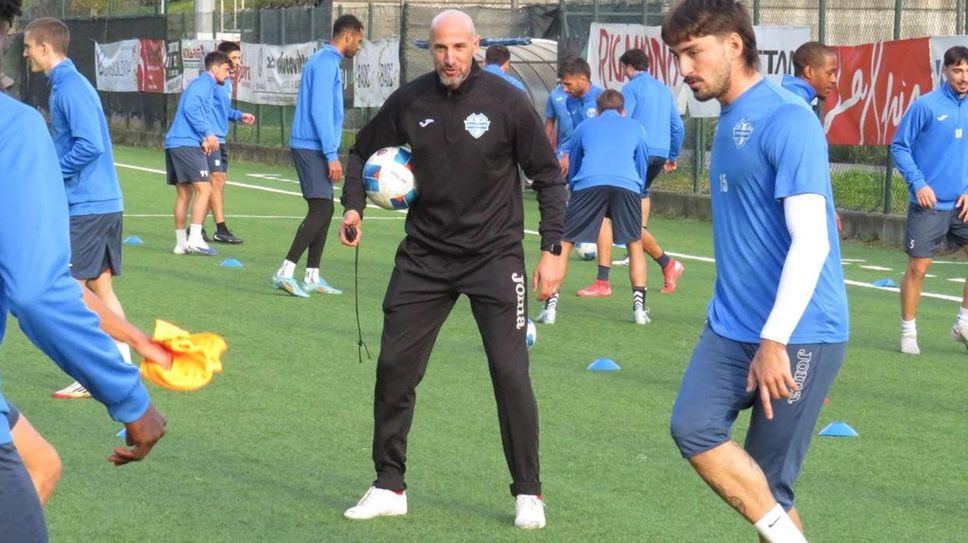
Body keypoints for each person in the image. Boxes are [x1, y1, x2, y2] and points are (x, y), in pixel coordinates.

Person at [337, 9, 566, 529]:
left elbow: (549, 178)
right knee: (395, 368)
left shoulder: (507, 102)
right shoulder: (410, 101)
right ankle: (388, 484)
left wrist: (554, 248)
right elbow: (359, 152)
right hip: (425, 258)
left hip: (494, 258)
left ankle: (529, 492)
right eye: (440, 49)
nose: (450, 58)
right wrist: (353, 205)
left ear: (476, 47)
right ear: (430, 49)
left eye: (459, 48)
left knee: (510, 374)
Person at [662, 2, 849, 542]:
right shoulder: (728, 119)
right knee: (693, 428)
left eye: (694, 52)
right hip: (730, 327)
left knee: (769, 486)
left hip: (797, 332)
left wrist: (775, 340)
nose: (684, 68)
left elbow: (811, 241)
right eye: (679, 55)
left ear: (735, 46)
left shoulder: (786, 117)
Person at [1, 3, 167, 538]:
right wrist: (129, 396)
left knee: (41, 464)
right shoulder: (15, 128)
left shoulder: (61, 92)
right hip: (83, 201)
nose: (23, 51)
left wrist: (137, 341)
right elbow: (38, 292)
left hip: (91, 204)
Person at [22, 17, 134, 399]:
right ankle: (120, 364)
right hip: (100, 203)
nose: (24, 54)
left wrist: (52, 170)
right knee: (101, 288)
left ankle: (94, 372)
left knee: (71, 292)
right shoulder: (66, 84)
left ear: (45, 48)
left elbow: (90, 146)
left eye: (27, 46)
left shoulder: (69, 87)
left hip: (88, 206)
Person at [271, 15, 364, 298]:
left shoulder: (326, 61)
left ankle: (312, 276)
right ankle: (284, 272)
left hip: (313, 144)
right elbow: (320, 111)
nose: (359, 47)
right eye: (359, 41)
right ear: (347, 37)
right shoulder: (325, 64)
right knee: (321, 209)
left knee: (327, 209)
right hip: (311, 145)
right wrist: (330, 153)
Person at [549, 89, 651, 325]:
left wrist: (575, 190)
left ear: (598, 109)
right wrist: (636, 188)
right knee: (635, 243)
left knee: (565, 241)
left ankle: (550, 307)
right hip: (627, 185)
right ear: (623, 110)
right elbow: (641, 163)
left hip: (588, 184)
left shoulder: (584, 126)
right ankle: (639, 311)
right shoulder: (637, 127)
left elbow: (575, 161)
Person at [891, 45, 968, 356]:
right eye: (958, 70)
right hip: (929, 205)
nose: (964, 77)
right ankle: (908, 331)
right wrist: (919, 184)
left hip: (962, 205)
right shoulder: (926, 106)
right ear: (945, 71)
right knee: (918, 269)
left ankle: (963, 323)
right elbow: (899, 147)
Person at [611, 48, 687, 295]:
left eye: (624, 68)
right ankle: (639, 241)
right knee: (640, 195)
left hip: (638, 151)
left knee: (617, 209)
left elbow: (625, 120)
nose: (624, 73)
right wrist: (672, 154)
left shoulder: (632, 88)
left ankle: (666, 262)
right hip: (660, 151)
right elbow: (677, 125)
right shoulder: (663, 89)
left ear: (630, 67)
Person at [164, 51, 230, 256]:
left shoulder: (201, 85)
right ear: (215, 68)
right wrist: (208, 134)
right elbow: (191, 109)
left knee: (184, 194)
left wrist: (203, 137)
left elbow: (194, 110)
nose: (228, 75)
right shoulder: (205, 84)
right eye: (227, 70)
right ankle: (195, 239)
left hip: (175, 143)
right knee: (206, 188)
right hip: (186, 144)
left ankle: (181, 243)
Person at [204, 41, 255, 245]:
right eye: (233, 58)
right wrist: (206, 134)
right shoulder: (211, 82)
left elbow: (221, 110)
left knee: (218, 184)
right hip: (212, 138)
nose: (237, 63)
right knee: (214, 183)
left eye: (238, 58)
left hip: (221, 138)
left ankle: (197, 227)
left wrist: (239, 115)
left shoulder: (226, 82)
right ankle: (220, 228)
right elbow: (202, 108)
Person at [780, 42, 838, 107]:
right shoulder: (798, 107)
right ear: (809, 72)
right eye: (829, 73)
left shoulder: (786, 96)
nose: (834, 80)